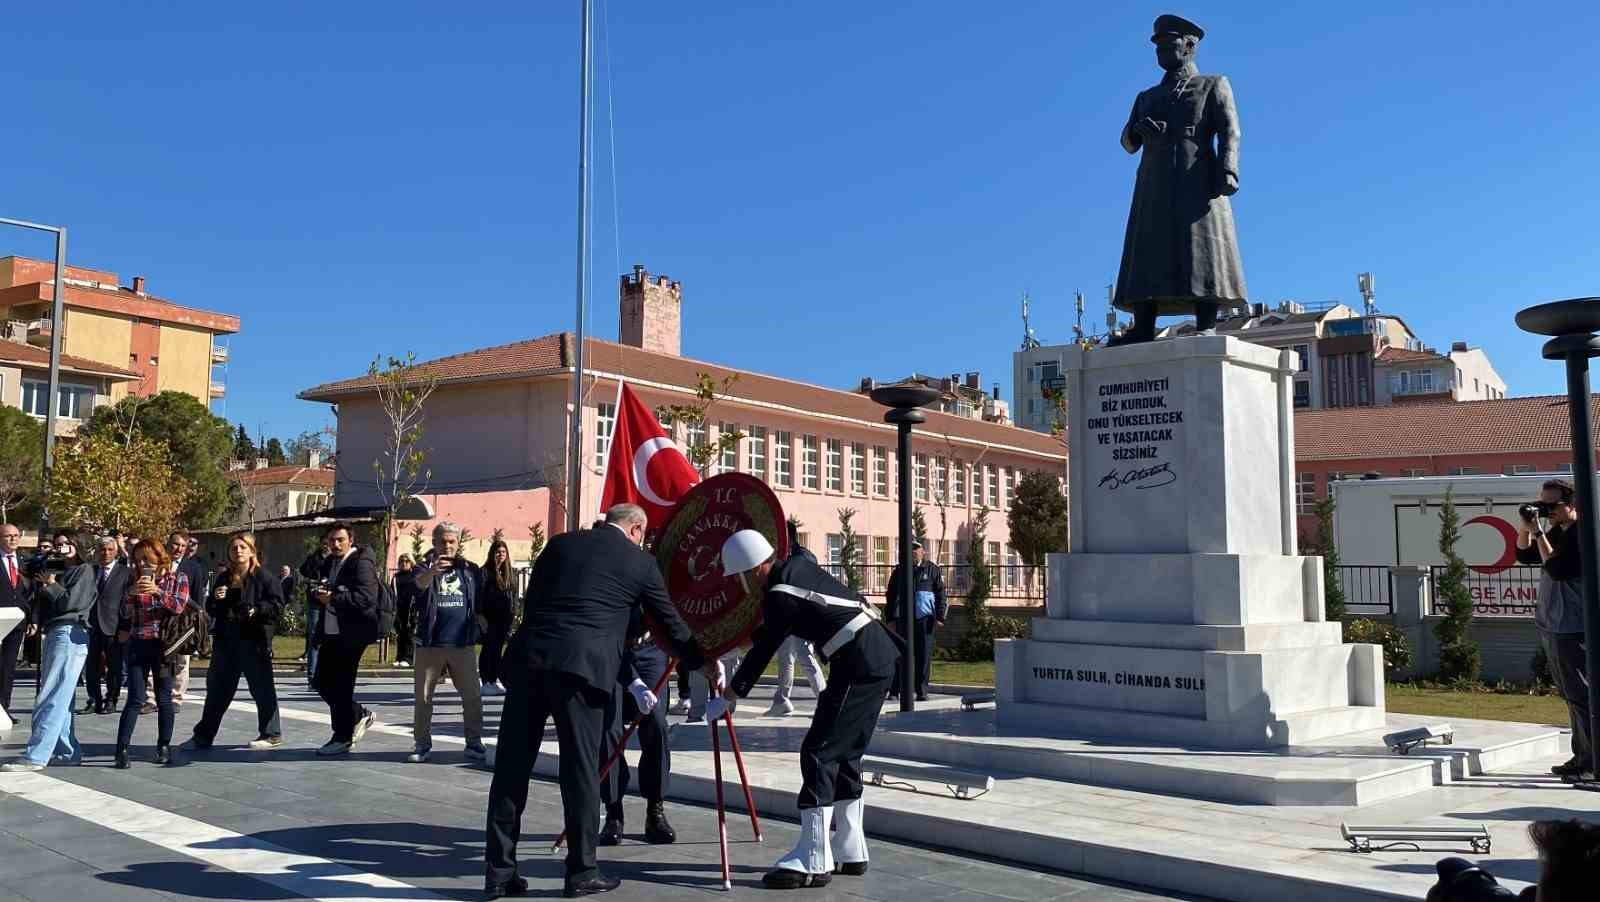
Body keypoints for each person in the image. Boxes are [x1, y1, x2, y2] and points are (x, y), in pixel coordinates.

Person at [485, 504, 716, 900]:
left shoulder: (558, 545)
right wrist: (703, 663)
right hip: (582, 670)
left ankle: (499, 874)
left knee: (511, 768)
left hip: (529, 662)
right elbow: (670, 624)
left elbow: (534, 602)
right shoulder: (640, 562)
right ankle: (581, 871)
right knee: (579, 771)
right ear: (637, 529)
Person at [721, 528, 901, 889]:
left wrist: (733, 692)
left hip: (858, 660)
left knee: (818, 752)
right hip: (873, 656)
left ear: (752, 569)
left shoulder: (780, 592)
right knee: (846, 753)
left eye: (738, 575)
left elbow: (767, 644)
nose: (739, 583)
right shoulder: (794, 572)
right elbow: (773, 630)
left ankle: (814, 859)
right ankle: (850, 849)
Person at [1108, 14, 1247, 345]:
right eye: (1158, 48)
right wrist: (1138, 131)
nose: (1162, 53)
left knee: (1203, 248)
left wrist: (1228, 169)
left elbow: (1230, 129)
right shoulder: (1147, 97)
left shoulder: (1212, 84)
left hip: (1197, 176)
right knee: (1148, 248)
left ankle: (1206, 321)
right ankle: (1143, 324)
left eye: (1168, 45)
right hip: (1153, 181)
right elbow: (1127, 142)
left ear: (1190, 45)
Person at [1517, 478, 1592, 782]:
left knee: (1582, 696)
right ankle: (1581, 757)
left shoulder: (1580, 534)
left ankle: (1591, 763)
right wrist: (1525, 527)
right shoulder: (1557, 532)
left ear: (1571, 504)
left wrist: (1537, 531)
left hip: (1573, 627)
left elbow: (1557, 570)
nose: (1546, 511)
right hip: (1553, 624)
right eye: (1543, 504)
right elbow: (1524, 556)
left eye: (1553, 505)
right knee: (1571, 696)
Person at [1, 531, 95, 772]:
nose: (60, 548)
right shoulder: (58, 569)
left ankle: (36, 755)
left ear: (78, 545)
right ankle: (67, 752)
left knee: (51, 696)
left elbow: (69, 603)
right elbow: (36, 593)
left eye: (66, 544)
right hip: (55, 631)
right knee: (61, 699)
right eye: (57, 545)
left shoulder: (83, 570)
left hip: (70, 632)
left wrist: (51, 584)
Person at [183, 531, 285, 752]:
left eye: (242, 547)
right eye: (233, 548)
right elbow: (211, 608)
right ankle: (203, 736)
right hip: (226, 643)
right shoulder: (224, 577)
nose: (237, 551)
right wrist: (215, 599)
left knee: (262, 689)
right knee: (217, 691)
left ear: (251, 551)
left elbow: (277, 608)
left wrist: (257, 610)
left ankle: (271, 734)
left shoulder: (265, 578)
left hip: (254, 642)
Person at [408, 522, 488, 764]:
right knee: (423, 698)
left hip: (461, 644)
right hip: (430, 644)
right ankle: (422, 744)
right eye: (443, 541)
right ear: (434, 543)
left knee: (472, 696)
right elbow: (417, 586)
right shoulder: (422, 567)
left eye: (452, 541)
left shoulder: (468, 569)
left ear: (458, 543)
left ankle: (473, 742)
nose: (448, 546)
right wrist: (432, 571)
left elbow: (480, 597)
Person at [597, 607, 676, 847]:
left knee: (657, 723)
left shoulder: (658, 569)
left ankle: (655, 810)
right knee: (608, 727)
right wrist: (634, 683)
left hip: (651, 647)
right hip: (611, 647)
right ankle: (613, 812)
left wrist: (704, 657)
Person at [114, 537, 192, 769]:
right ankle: (122, 749)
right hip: (138, 643)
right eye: (137, 561)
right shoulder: (132, 578)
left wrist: (157, 591)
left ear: (159, 557)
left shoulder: (178, 578)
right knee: (135, 698)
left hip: (163, 645)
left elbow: (179, 606)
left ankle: (164, 746)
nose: (142, 565)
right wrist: (130, 595)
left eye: (146, 560)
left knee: (164, 698)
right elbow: (124, 613)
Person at [308, 522, 381, 756]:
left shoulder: (362, 561)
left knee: (341, 685)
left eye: (340, 539)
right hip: (331, 631)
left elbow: (366, 598)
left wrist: (334, 598)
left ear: (350, 540)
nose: (335, 544)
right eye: (331, 540)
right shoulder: (330, 561)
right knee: (320, 681)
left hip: (352, 634)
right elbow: (322, 585)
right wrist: (318, 593)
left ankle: (342, 737)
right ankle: (358, 714)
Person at [886, 540, 947, 702]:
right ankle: (894, 690)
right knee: (900, 655)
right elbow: (891, 595)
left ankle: (921, 691)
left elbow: (941, 594)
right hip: (903, 620)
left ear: (923, 552)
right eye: (910, 549)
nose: (913, 552)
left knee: (923, 656)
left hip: (925, 620)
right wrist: (890, 618)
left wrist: (940, 617)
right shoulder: (900, 570)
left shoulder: (932, 569)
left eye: (916, 549)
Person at [82, 534, 131, 715]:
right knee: (92, 666)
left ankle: (112, 699)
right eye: (102, 549)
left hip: (114, 626)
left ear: (116, 552)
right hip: (91, 625)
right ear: (96, 552)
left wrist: (125, 627)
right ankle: (94, 699)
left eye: (110, 549)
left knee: (115, 667)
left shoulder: (125, 573)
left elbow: (128, 602)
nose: (106, 553)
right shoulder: (90, 571)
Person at [0, 523, 34, 713]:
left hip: (17, 621)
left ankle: (4, 709)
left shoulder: (26, 562)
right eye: (7, 536)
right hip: (0, 620)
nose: (13, 539)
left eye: (15, 535)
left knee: (8, 667)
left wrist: (33, 619)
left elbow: (33, 593)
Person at [479, 540, 516, 697]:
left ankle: (493, 680)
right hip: (489, 618)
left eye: (503, 552)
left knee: (497, 649)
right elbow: (479, 596)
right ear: (492, 554)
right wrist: (479, 616)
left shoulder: (509, 573)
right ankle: (486, 680)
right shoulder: (485, 572)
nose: (501, 555)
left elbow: (512, 595)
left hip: (504, 619)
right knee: (489, 649)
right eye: (497, 552)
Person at [298, 537, 331, 685]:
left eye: (328, 544)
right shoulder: (313, 558)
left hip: (330, 600)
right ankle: (312, 676)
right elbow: (303, 572)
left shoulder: (335, 559)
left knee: (330, 637)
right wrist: (312, 581)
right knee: (314, 637)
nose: (326, 546)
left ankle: (326, 675)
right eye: (324, 544)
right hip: (315, 601)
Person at [393, 553, 416, 668]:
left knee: (409, 634)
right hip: (398, 607)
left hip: (411, 608)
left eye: (406, 561)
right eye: (401, 561)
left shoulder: (414, 575)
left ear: (411, 562)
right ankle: (399, 657)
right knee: (400, 633)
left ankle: (408, 658)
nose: (404, 563)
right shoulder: (396, 577)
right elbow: (393, 592)